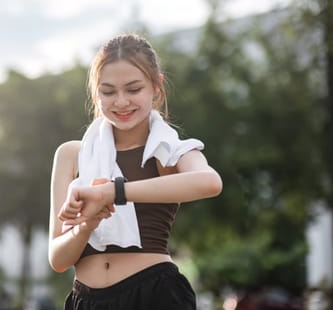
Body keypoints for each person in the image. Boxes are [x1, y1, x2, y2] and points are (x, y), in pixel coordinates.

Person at [48, 33, 223, 310]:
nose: (121, 102)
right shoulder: (71, 154)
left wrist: (113, 192)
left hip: (155, 294)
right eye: (108, 92)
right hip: (87, 301)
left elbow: (210, 182)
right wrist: (87, 224)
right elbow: (58, 259)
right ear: (96, 93)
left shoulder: (168, 151)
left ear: (156, 87)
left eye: (133, 89)